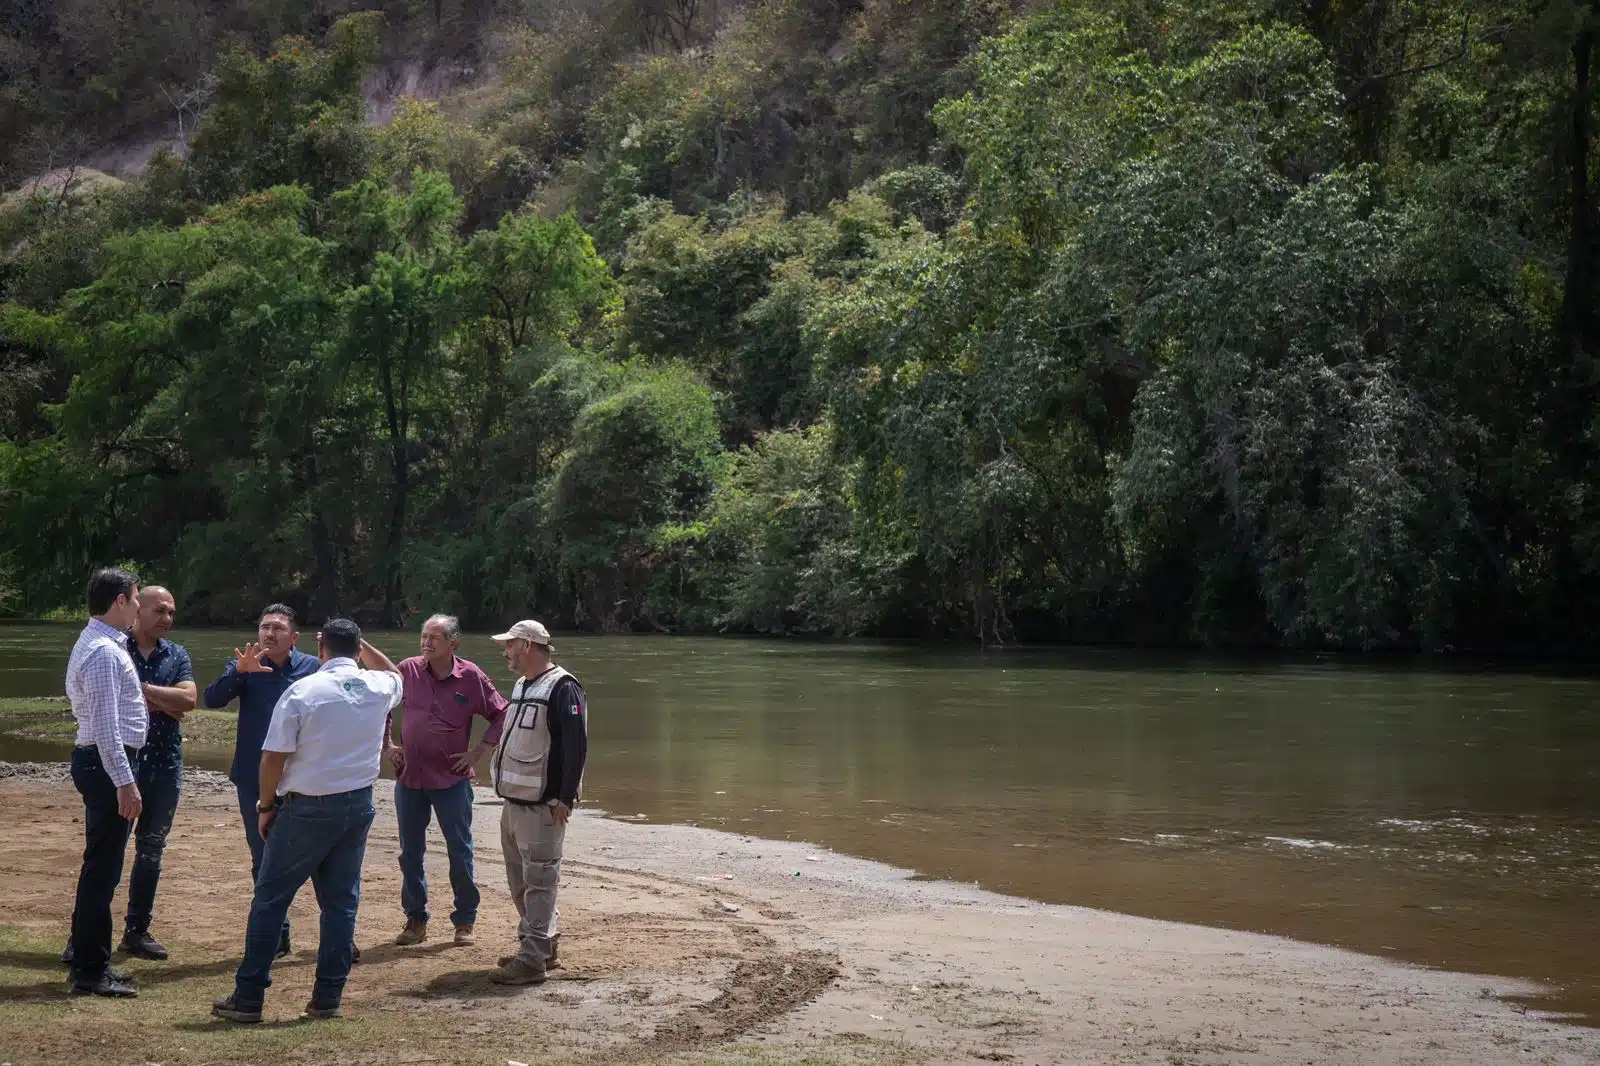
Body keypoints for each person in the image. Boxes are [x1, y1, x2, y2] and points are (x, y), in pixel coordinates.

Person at [211, 620, 401, 1024]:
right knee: (340, 905)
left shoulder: (303, 690)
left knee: (270, 899)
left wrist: (265, 807)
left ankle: (248, 998)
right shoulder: (378, 687)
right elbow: (395, 673)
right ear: (357, 648)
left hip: (308, 808)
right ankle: (327, 998)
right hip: (357, 806)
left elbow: (272, 758)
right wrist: (360, 643)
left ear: (320, 645)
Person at [61, 585, 196, 966]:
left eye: (171, 612)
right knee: (105, 857)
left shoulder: (177, 654)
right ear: (132, 608)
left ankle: (136, 930)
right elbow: (108, 711)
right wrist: (156, 700)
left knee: (150, 849)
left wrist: (140, 691)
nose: (166, 618)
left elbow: (187, 700)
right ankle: (83, 942)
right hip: (119, 761)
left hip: (163, 762)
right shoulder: (114, 648)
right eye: (157, 610)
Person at [202, 603, 319, 957]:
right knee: (263, 855)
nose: (269, 634)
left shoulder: (312, 668)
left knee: (316, 856)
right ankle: (276, 934)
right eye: (265, 627)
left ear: (294, 637)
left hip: (302, 777)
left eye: (278, 628)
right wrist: (238, 673)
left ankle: (337, 933)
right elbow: (211, 699)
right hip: (254, 777)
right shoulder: (247, 664)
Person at [387, 614, 508, 948]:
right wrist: (387, 744)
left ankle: (465, 920)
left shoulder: (471, 677)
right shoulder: (407, 669)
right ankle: (415, 920)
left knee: (460, 850)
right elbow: (380, 702)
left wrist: (481, 750)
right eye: (424, 636)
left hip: (452, 779)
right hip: (409, 777)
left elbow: (501, 713)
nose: (426, 643)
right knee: (410, 853)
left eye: (434, 638)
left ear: (454, 643)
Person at [487, 620, 587, 986]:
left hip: (544, 806)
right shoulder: (522, 684)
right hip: (514, 803)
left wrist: (564, 798)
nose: (506, 652)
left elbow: (576, 746)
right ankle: (543, 944)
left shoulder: (564, 688)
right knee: (520, 881)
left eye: (510, 645)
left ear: (527, 646)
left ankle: (532, 961)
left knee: (540, 881)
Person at [64, 567, 146, 997]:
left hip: (101, 763)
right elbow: (106, 729)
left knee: (101, 868)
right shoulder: (104, 652)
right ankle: (89, 971)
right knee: (102, 871)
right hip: (104, 765)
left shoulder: (100, 643)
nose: (138, 607)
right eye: (135, 599)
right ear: (119, 601)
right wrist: (125, 782)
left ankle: (88, 960)